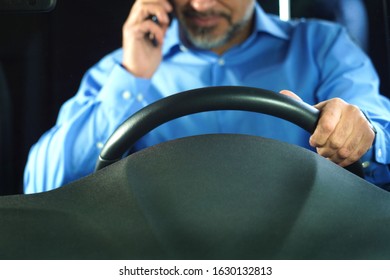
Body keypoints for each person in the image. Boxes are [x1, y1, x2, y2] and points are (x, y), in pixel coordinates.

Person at [24, 0, 390, 193]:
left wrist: (361, 134)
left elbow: (375, 127)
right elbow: (43, 183)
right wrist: (132, 78)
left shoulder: (323, 46)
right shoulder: (123, 66)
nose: (199, 4)